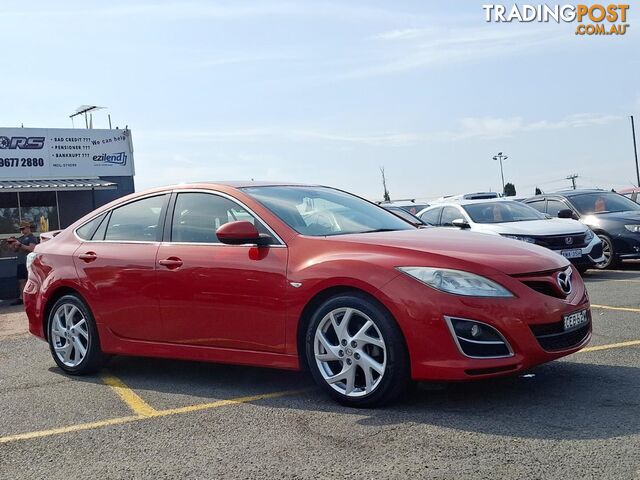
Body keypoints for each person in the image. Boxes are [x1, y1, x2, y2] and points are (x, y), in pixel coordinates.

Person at [7, 220, 38, 305]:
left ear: (28, 228)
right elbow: (15, 250)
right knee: (21, 281)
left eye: (23, 228)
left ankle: (31, 298)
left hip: (28, 262)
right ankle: (22, 298)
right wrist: (11, 245)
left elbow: (32, 248)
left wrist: (20, 245)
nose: (22, 230)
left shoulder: (32, 237)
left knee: (30, 280)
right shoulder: (21, 238)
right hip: (20, 262)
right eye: (21, 229)